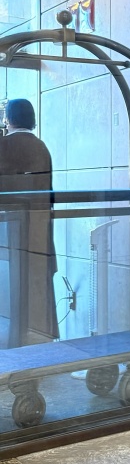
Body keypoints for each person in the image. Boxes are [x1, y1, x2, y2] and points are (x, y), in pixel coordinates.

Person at [0, 98, 59, 347]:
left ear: (8, 119)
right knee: (36, 285)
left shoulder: (4, 145)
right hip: (39, 228)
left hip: (8, 230)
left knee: (9, 289)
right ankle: (36, 340)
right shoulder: (41, 147)